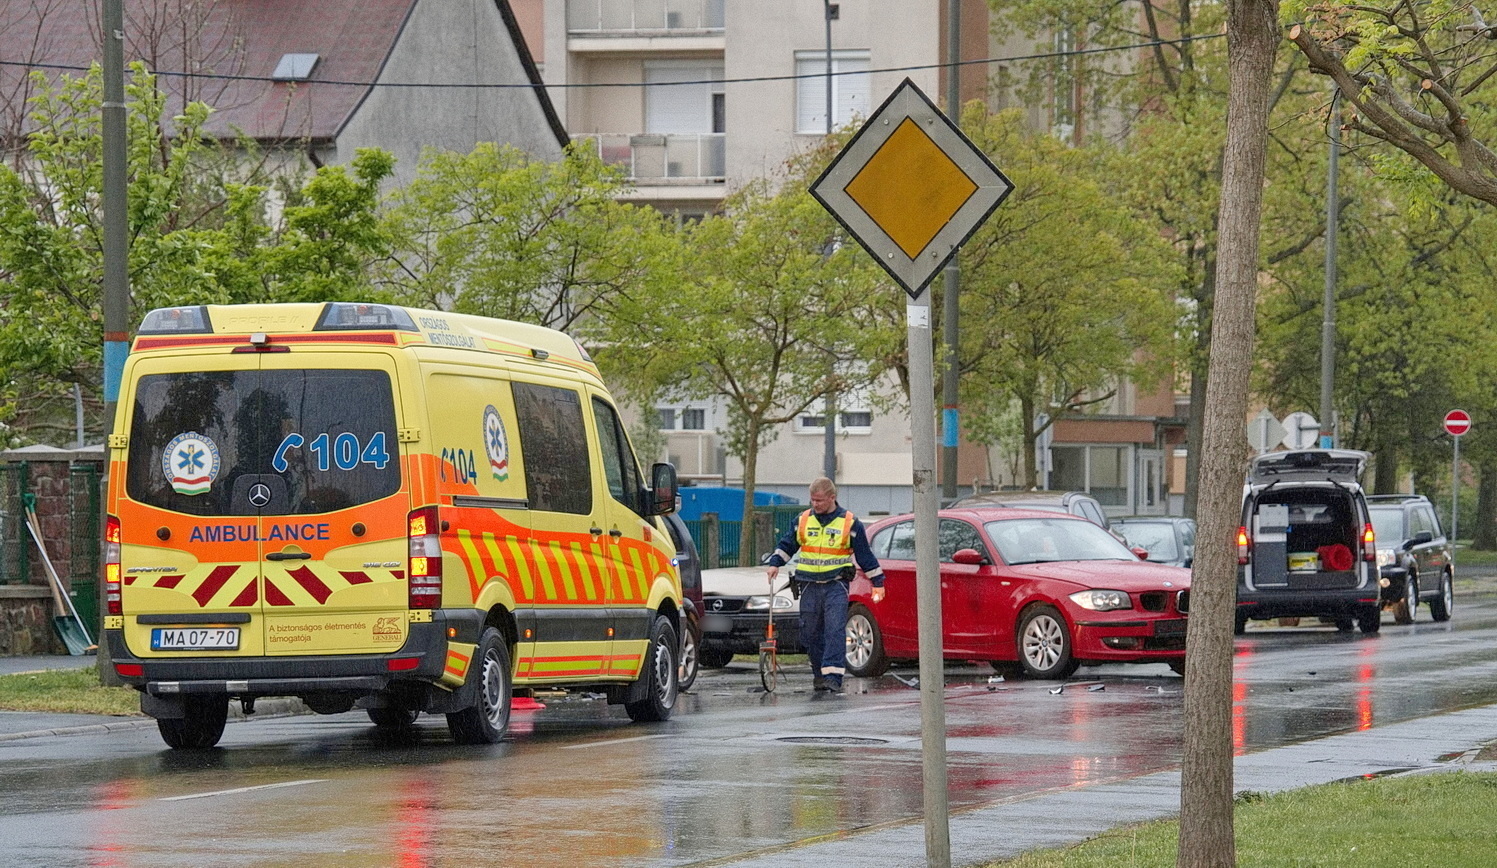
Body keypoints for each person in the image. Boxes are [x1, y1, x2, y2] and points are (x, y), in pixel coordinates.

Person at [764, 477, 884, 694]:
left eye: (819, 500)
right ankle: (819, 673)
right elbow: (787, 545)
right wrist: (775, 563)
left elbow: (865, 556)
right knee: (810, 633)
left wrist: (878, 582)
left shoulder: (849, 523)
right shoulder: (802, 520)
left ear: (832, 498)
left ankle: (833, 677)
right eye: (812, 500)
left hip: (835, 585)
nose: (815, 504)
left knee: (834, 630)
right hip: (809, 584)